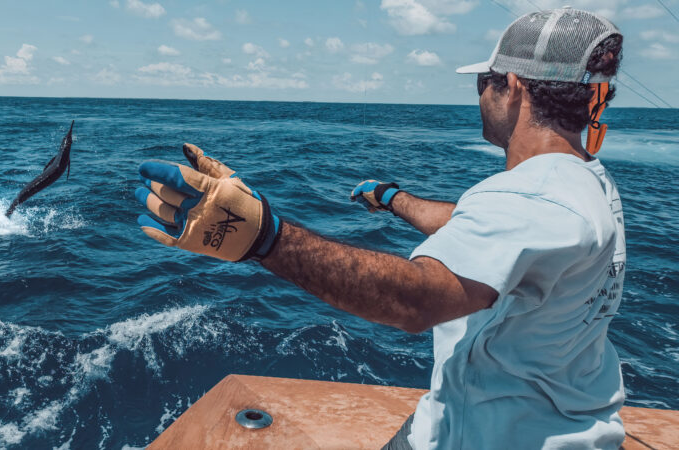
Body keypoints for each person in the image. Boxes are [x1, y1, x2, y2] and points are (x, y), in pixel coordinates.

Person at [133, 7, 626, 449]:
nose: (479, 94)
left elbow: (417, 301)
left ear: (513, 87)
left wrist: (266, 239)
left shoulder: (529, 196)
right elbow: (481, 227)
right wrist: (393, 198)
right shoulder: (585, 182)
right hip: (554, 425)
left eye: (484, 82)